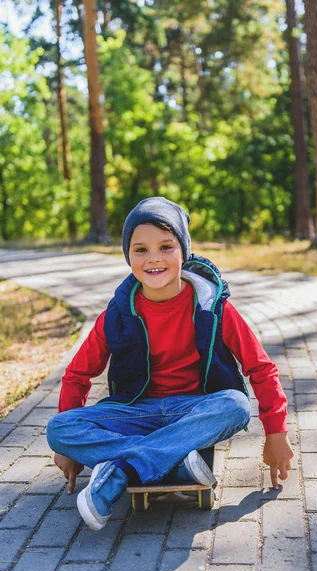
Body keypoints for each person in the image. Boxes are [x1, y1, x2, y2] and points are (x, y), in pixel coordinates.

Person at [47, 196, 293, 531]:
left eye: (166, 246)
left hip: (192, 411)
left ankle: (123, 469)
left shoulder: (212, 307)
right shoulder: (117, 315)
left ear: (184, 251)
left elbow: (260, 367)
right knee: (59, 429)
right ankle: (173, 460)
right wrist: (68, 451)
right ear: (128, 256)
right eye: (140, 250)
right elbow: (77, 375)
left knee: (236, 404)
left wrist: (276, 431)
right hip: (136, 413)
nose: (154, 259)